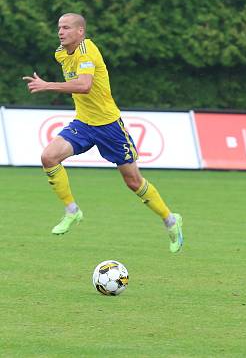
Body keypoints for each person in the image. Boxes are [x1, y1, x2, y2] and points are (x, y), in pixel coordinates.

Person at [22, 13, 184, 253]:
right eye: (59, 27)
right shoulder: (60, 54)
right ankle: (72, 211)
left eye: (66, 28)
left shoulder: (88, 51)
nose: (60, 32)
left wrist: (48, 85)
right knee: (49, 157)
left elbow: (85, 86)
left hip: (109, 126)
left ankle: (171, 220)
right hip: (84, 124)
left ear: (80, 32)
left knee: (133, 181)